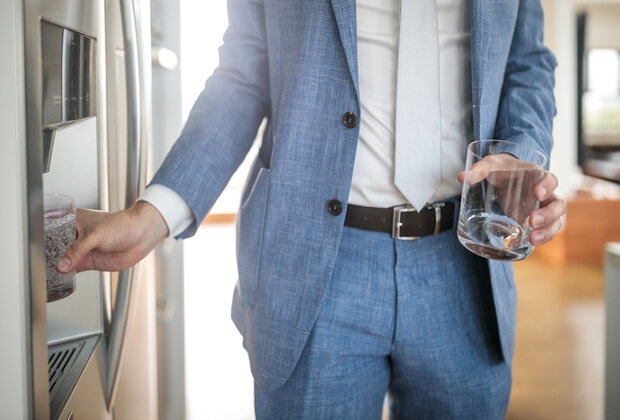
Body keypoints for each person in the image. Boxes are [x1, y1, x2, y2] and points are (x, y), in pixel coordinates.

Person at [58, 0, 566, 418]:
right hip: (315, 269)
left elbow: (528, 63)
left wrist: (523, 154)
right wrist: (156, 213)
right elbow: (244, 74)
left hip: (466, 265)